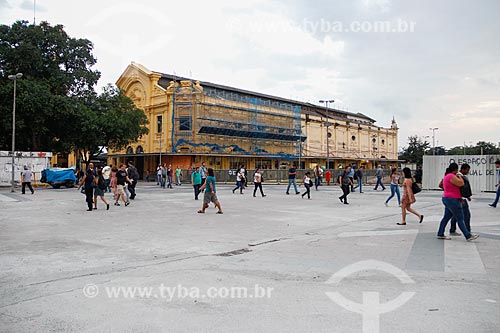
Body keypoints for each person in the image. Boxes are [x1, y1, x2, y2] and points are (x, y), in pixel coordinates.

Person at [437, 163, 479, 241]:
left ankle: (440, 233)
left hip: (447, 198)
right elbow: (461, 183)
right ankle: (468, 235)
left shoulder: (446, 176)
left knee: (446, 217)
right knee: (460, 218)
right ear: (456, 169)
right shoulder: (451, 176)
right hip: (453, 199)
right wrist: (460, 176)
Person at [449, 164, 472, 235]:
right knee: (466, 215)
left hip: (459, 198)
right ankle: (468, 231)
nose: (468, 172)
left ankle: (452, 229)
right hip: (460, 199)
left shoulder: (459, 176)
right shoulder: (459, 176)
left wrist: (467, 196)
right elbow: (460, 188)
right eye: (467, 170)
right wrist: (462, 198)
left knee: (456, 215)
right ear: (463, 169)